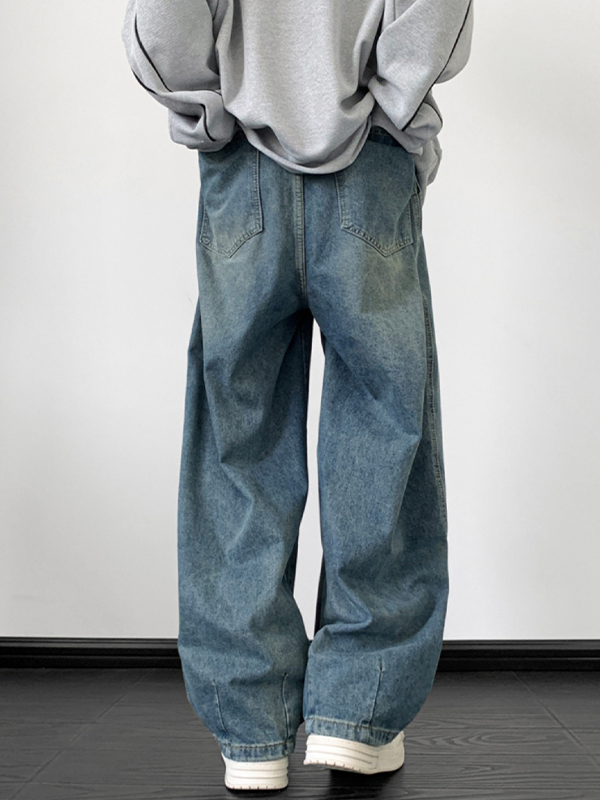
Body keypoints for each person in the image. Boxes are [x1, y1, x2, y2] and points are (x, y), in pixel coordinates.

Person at [122, 0, 475, 790]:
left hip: (241, 171)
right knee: (386, 433)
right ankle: (360, 712)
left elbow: (163, 18)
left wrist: (210, 110)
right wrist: (386, 103)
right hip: (370, 169)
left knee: (236, 441)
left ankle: (252, 732)